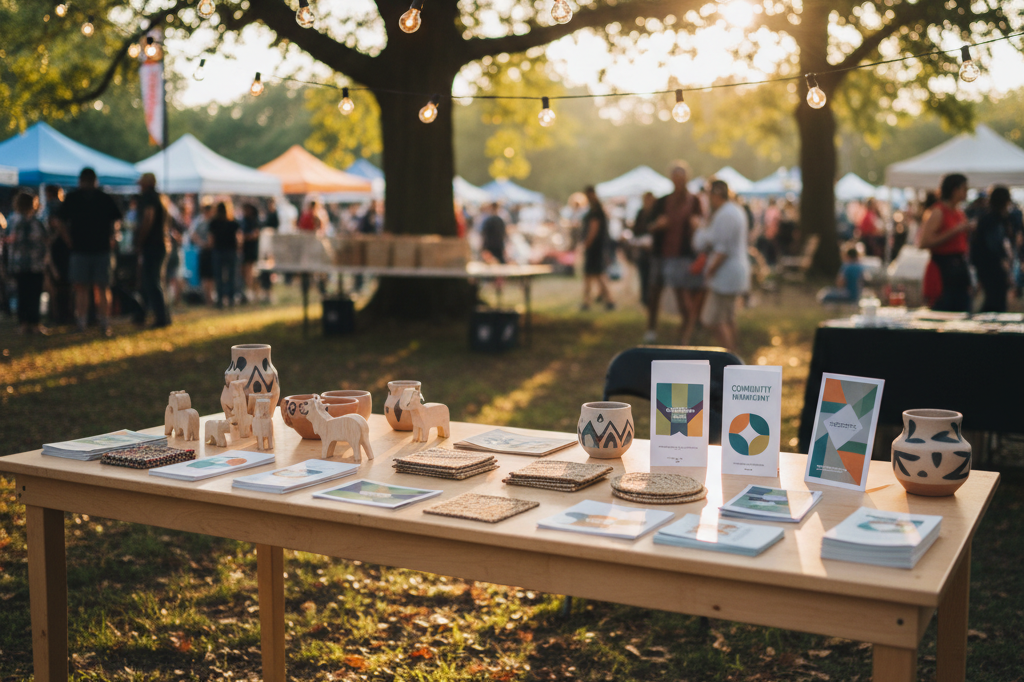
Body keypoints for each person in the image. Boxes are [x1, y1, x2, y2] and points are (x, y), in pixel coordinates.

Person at [57, 167, 122, 333]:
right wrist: (113, 235)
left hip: (88, 249)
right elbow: (116, 220)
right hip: (95, 249)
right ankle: (99, 323)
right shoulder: (102, 198)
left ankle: (87, 323)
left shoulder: (75, 198)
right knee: (98, 287)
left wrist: (68, 240)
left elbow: (60, 221)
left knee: (87, 288)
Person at [646, 162, 704, 344]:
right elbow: (646, 225)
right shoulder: (662, 201)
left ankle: (686, 330)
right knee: (655, 291)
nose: (678, 182)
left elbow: (701, 225)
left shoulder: (693, 201)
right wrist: (657, 225)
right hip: (661, 254)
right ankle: (651, 328)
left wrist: (696, 227)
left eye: (682, 178)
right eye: (675, 178)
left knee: (682, 293)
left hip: (682, 254)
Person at [693, 181, 750, 353]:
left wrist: (709, 271)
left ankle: (731, 356)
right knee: (728, 318)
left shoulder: (726, 214)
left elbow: (722, 250)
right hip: (732, 273)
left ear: (715, 195)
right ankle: (735, 355)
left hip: (726, 275)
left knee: (713, 319)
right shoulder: (734, 210)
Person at [919, 173, 973, 312]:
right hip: (943, 269)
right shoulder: (938, 211)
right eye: (964, 189)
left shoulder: (959, 212)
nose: (967, 192)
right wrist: (955, 231)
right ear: (955, 190)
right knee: (943, 309)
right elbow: (924, 242)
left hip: (959, 267)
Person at [5, 193, 49, 334]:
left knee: (23, 294)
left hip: (20, 264)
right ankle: (32, 323)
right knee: (32, 294)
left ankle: (25, 323)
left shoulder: (12, 220)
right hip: (34, 264)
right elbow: (45, 241)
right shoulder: (36, 221)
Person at [133, 173, 171, 328]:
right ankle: (153, 315)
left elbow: (148, 218)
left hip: (153, 245)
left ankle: (161, 318)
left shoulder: (149, 198)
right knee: (153, 281)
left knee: (152, 281)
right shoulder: (160, 198)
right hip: (160, 244)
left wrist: (140, 240)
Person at [971, 186, 1013, 313]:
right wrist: (1004, 263)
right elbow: (994, 245)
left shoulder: (987, 218)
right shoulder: (993, 219)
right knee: (994, 304)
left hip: (986, 268)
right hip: (993, 269)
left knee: (992, 302)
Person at [40, 184, 73, 325]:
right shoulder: (64, 206)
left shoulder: (52, 207)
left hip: (57, 249)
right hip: (64, 249)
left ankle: (59, 315)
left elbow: (56, 225)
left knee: (57, 284)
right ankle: (66, 315)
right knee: (65, 283)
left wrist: (51, 240)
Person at [580, 186, 615, 311]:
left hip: (595, 248)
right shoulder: (597, 209)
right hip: (597, 247)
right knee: (593, 275)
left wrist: (587, 243)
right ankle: (589, 301)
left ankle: (604, 301)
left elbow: (594, 229)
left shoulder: (596, 210)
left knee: (596, 275)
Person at [208, 201, 240, 308]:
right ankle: (231, 299)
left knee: (219, 277)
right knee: (231, 276)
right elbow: (238, 239)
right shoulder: (233, 223)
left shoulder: (214, 223)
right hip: (231, 252)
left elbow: (211, 240)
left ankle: (220, 300)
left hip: (218, 251)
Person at [631, 191, 657, 306]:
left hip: (653, 250)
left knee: (653, 276)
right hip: (642, 249)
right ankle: (644, 297)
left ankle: (651, 298)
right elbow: (636, 230)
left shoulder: (656, 213)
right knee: (643, 274)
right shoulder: (641, 213)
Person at [190, 200, 216, 304]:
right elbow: (193, 235)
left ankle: (210, 297)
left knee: (210, 276)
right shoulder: (200, 222)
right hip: (204, 251)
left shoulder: (211, 222)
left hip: (211, 251)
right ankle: (207, 298)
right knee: (205, 276)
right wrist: (202, 243)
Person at [240, 203, 261, 302]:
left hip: (251, 249)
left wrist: (244, 237)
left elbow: (255, 234)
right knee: (244, 271)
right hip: (244, 249)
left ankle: (251, 291)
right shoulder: (243, 220)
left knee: (249, 271)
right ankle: (247, 290)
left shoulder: (254, 221)